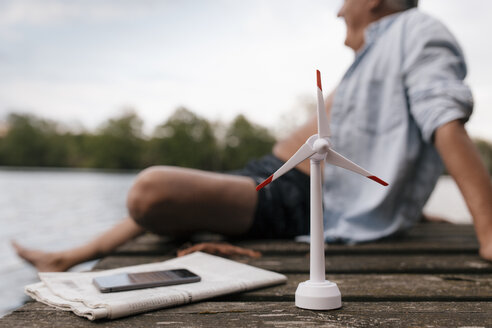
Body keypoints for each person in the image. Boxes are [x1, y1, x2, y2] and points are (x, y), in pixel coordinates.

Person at [12, 0, 492, 271]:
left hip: (294, 195)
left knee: (149, 191)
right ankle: (69, 256)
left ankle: (70, 255)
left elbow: (442, 120)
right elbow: (392, 146)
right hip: (274, 178)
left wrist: (487, 229)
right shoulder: (379, 52)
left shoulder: (417, 30)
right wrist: (409, 204)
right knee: (178, 193)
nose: (336, 9)